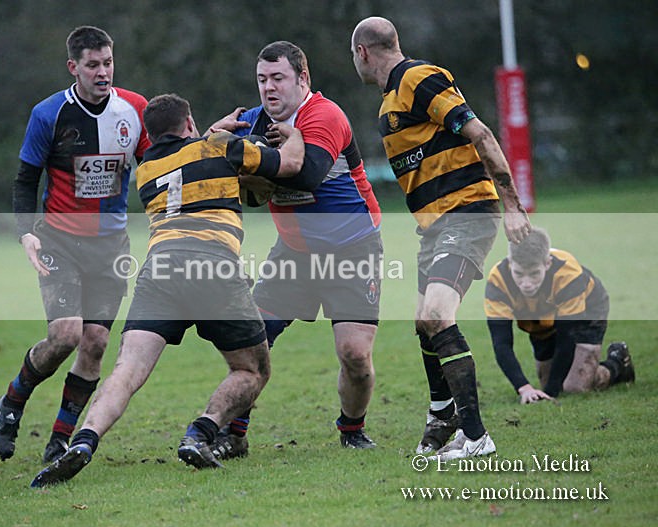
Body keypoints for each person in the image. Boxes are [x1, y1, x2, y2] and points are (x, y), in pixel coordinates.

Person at [30, 93, 305, 486]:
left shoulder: (147, 170)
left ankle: (84, 440)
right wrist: (294, 133)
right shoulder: (221, 147)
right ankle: (200, 432)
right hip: (213, 267)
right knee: (252, 369)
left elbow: (192, 158)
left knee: (127, 370)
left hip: (159, 271)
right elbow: (290, 163)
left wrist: (212, 134)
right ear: (189, 123)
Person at [351, 17, 531, 460]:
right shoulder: (389, 102)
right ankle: (442, 415)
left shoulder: (419, 78)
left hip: (467, 212)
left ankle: (476, 436)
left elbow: (481, 133)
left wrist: (512, 205)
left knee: (436, 314)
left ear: (362, 53)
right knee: (422, 321)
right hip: (436, 227)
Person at [207, 41, 384, 456]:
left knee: (355, 355)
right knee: (253, 340)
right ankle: (234, 435)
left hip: (352, 251)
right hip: (293, 253)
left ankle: (352, 429)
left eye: (278, 78)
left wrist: (250, 157)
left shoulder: (324, 115)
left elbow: (307, 175)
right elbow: (206, 165)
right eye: (262, 79)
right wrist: (213, 140)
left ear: (303, 78)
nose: (268, 88)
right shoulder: (252, 123)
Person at [0, 26, 150, 463]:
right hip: (58, 241)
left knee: (95, 343)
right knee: (65, 335)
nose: (103, 73)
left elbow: (157, 165)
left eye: (108, 63)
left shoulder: (135, 109)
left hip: (111, 246)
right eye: (93, 65)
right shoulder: (49, 114)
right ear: (73, 67)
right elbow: (26, 180)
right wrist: (26, 232)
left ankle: (60, 438)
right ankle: (13, 400)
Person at [485, 226, 635, 403]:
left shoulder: (568, 276)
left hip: (588, 308)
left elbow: (566, 339)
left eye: (534, 274)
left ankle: (618, 363)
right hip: (541, 316)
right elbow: (501, 344)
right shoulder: (497, 280)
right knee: (548, 380)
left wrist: (551, 393)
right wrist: (524, 388)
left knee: (574, 387)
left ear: (547, 264)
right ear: (510, 263)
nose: (526, 283)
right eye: (519, 274)